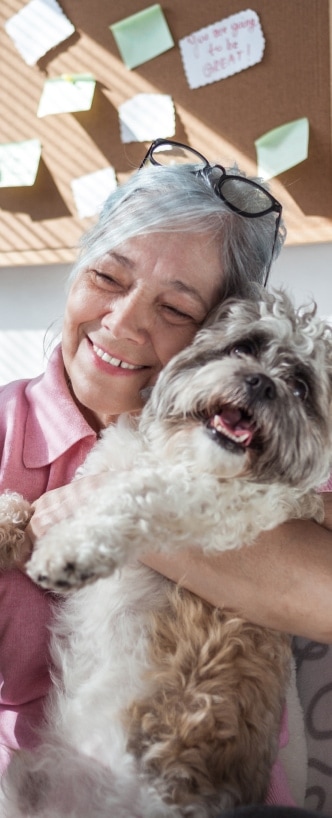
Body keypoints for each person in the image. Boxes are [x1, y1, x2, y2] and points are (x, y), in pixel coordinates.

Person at [0, 138, 330, 816]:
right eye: (107, 278)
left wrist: (117, 510)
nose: (122, 323)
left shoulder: (268, 449)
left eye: (175, 310)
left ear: (217, 329)